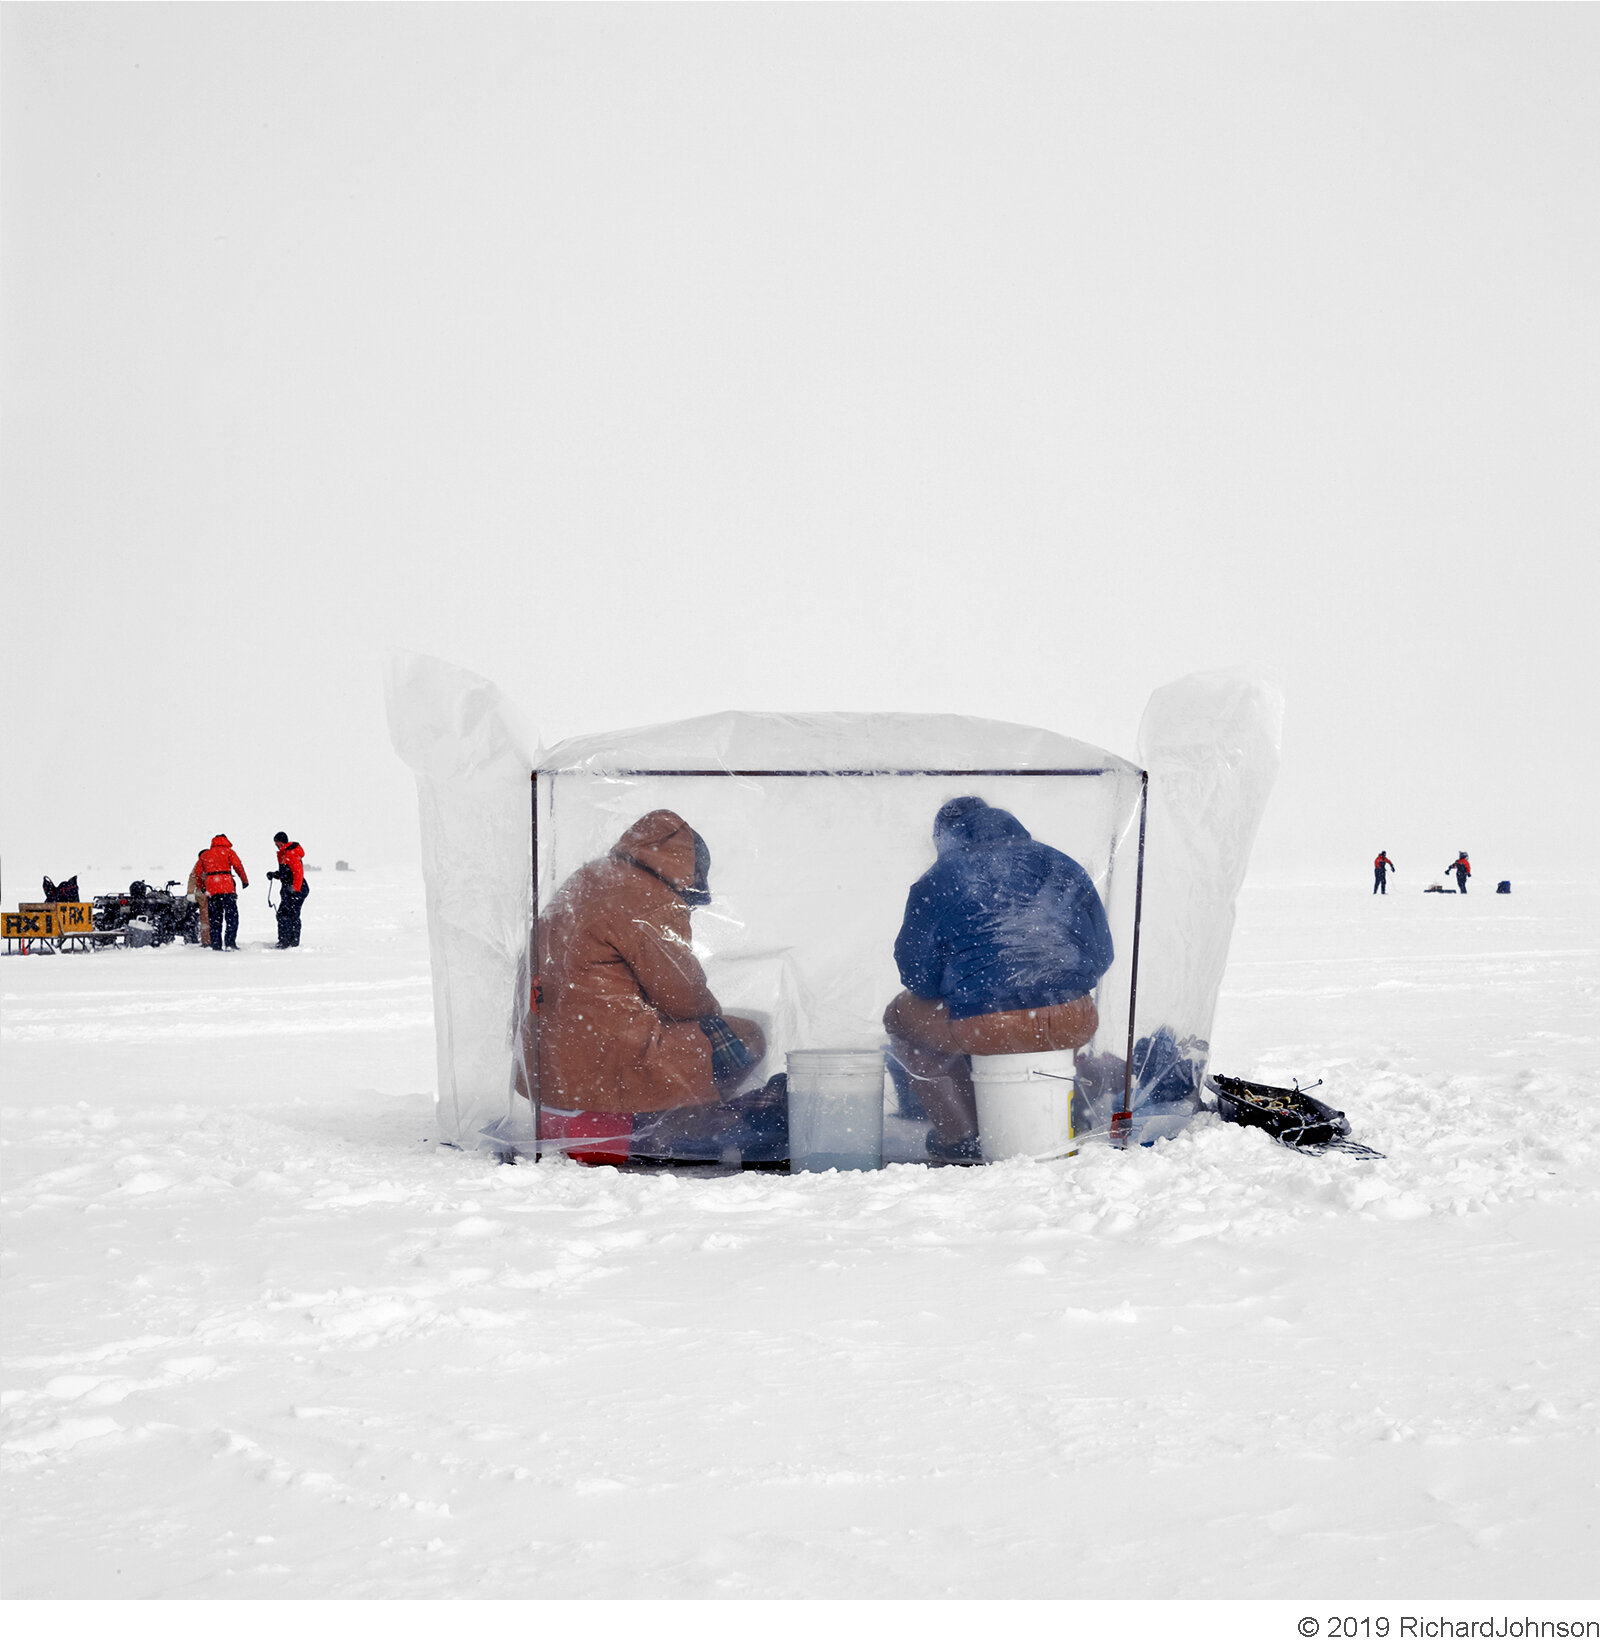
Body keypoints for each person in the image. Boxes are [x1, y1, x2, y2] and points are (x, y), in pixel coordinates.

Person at [531, 809, 776, 1166]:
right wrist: (713, 1021)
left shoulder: (588, 879)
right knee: (748, 1035)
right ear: (688, 869)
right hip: (608, 1060)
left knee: (696, 1038)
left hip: (551, 1063)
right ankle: (680, 1128)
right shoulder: (650, 899)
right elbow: (684, 998)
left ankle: (646, 1118)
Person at [884, 796, 1115, 1164]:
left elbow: (918, 977)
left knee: (899, 1017)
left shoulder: (939, 878)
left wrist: (975, 982)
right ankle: (1060, 1101)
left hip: (987, 1023)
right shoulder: (1061, 863)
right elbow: (1102, 954)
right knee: (1044, 1032)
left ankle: (960, 1136)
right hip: (1074, 1017)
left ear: (944, 837)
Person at [192, 834, 248, 950]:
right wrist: (244, 880)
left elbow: (197, 873)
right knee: (232, 917)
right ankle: (230, 943)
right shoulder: (229, 852)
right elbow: (238, 866)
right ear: (226, 841)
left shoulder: (206, 854)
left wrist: (203, 886)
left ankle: (216, 945)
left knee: (215, 919)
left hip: (212, 890)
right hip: (227, 889)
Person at [265, 832, 310, 948]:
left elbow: (298, 873)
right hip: (291, 889)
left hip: (295, 889)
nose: (276, 845)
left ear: (281, 842)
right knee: (287, 914)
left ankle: (287, 942)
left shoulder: (290, 854)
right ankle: (289, 941)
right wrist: (275, 875)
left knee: (287, 915)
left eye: (277, 843)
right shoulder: (285, 854)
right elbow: (287, 874)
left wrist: (295, 890)